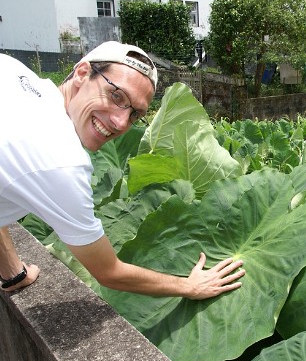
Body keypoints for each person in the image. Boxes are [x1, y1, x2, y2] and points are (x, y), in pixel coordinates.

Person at [0, 41, 245, 297]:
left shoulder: (12, 72)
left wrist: (13, 272)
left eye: (135, 114)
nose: (120, 122)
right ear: (82, 73)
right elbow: (109, 272)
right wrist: (189, 286)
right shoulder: (61, 161)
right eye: (116, 96)